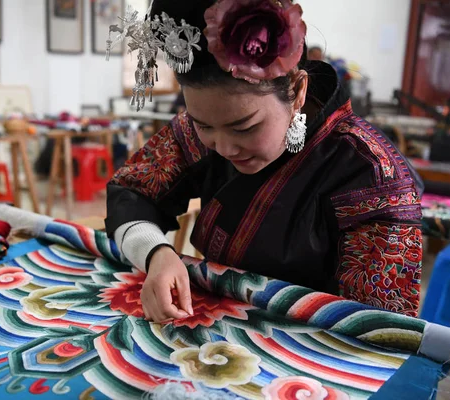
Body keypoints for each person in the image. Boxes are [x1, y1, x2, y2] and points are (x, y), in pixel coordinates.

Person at [105, 0, 424, 322]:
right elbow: (133, 191)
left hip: (314, 345)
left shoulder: (373, 174)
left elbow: (378, 323)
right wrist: (156, 254)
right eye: (203, 125)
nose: (224, 147)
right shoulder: (197, 132)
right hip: (213, 317)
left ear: (298, 91)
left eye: (244, 127)